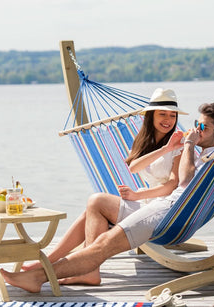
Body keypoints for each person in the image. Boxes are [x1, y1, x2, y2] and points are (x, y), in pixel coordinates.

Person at [1, 102, 214, 293]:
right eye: (196, 123)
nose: (195, 129)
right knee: (98, 209)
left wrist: (187, 144)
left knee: (102, 245)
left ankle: (38, 277)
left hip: (168, 213)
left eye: (202, 127)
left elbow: (183, 182)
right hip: (166, 209)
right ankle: (80, 271)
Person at [21, 88, 188, 285]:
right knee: (90, 212)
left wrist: (135, 195)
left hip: (160, 211)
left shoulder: (180, 142)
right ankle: (52, 261)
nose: (168, 119)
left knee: (97, 201)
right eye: (163, 114)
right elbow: (134, 167)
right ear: (151, 116)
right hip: (147, 203)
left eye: (172, 114)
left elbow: (172, 185)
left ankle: (83, 269)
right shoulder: (147, 140)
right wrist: (164, 149)